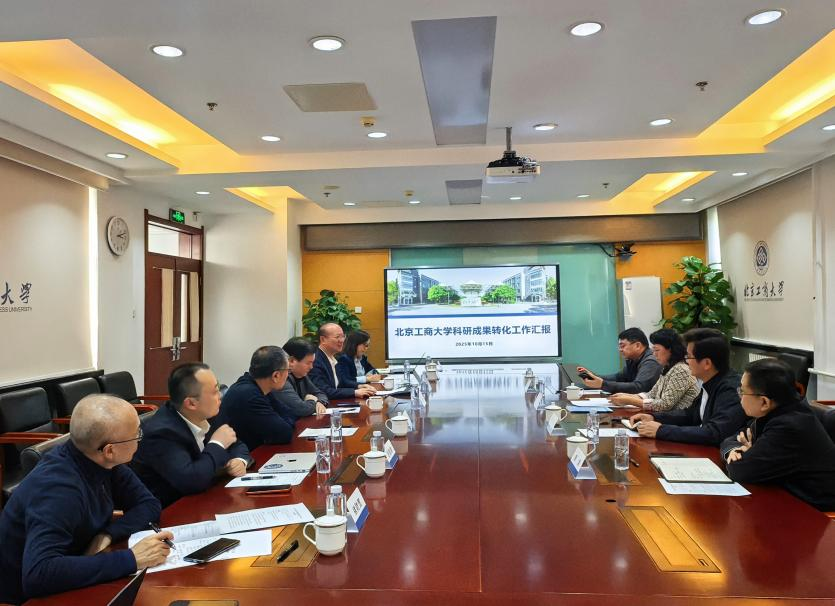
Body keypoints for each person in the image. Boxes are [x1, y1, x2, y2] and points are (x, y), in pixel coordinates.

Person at [0, 395, 172, 605]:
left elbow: (148, 504)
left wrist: (107, 534)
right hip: (24, 598)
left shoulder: (100, 460)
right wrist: (132, 558)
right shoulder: (59, 490)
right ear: (110, 450)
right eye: (137, 433)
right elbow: (39, 574)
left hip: (76, 567)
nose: (139, 438)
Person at [721, 358, 835, 511]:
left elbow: (740, 471)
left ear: (764, 402)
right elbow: (731, 438)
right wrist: (734, 450)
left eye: (742, 391)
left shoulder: (789, 426)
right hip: (785, 497)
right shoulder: (779, 410)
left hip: (812, 511)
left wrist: (749, 454)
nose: (739, 396)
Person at [131, 363, 252, 507]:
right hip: (172, 509)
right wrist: (217, 444)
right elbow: (191, 481)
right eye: (214, 391)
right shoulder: (161, 433)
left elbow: (236, 444)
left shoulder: (208, 413)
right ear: (191, 404)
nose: (220, 396)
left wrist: (239, 460)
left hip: (206, 498)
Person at [629, 328, 747, 445]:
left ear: (707, 363)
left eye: (689, 356)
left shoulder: (730, 389)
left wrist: (661, 430)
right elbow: (690, 415)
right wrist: (653, 417)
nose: (687, 361)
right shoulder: (710, 381)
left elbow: (714, 433)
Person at [218, 346, 294, 451]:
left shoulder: (259, 387)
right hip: (238, 458)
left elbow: (290, 413)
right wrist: (286, 422)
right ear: (276, 376)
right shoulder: (249, 395)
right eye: (288, 371)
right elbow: (284, 433)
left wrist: (286, 422)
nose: (288, 375)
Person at [609, 328, 700, 412]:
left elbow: (665, 405)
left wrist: (630, 401)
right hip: (667, 418)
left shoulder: (681, 369)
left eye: (657, 350)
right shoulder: (668, 368)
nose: (654, 354)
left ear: (670, 350)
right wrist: (626, 396)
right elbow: (651, 394)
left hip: (679, 421)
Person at [578, 327, 662, 394]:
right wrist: (593, 376)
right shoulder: (633, 360)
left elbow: (639, 387)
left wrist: (603, 384)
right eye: (619, 346)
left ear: (637, 345)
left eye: (623, 346)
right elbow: (618, 377)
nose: (620, 350)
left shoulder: (651, 362)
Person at [310, 322, 376, 400]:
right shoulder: (315, 360)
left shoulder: (332, 358)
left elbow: (341, 382)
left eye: (343, 336)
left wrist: (359, 386)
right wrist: (355, 392)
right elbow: (323, 390)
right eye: (337, 337)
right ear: (323, 339)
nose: (342, 340)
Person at [275, 337, 330, 416]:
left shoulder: (302, 375)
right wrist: (313, 400)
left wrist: (319, 402)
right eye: (308, 363)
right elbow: (301, 409)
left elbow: (320, 394)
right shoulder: (281, 379)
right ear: (291, 361)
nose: (311, 367)